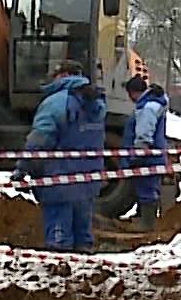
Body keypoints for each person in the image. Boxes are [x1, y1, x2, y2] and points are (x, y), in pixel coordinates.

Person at [24, 60, 106, 252]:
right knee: (83, 235)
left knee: (59, 238)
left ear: (63, 75)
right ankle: (85, 276)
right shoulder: (96, 103)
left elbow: (40, 140)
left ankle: (60, 275)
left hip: (59, 180)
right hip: (88, 180)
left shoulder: (55, 103)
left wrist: (24, 167)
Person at [122, 75, 170, 230]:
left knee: (146, 188)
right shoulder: (153, 104)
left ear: (133, 92)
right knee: (147, 187)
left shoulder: (148, 107)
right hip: (154, 155)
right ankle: (144, 218)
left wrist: (139, 152)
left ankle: (147, 225)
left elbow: (144, 131)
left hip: (148, 157)